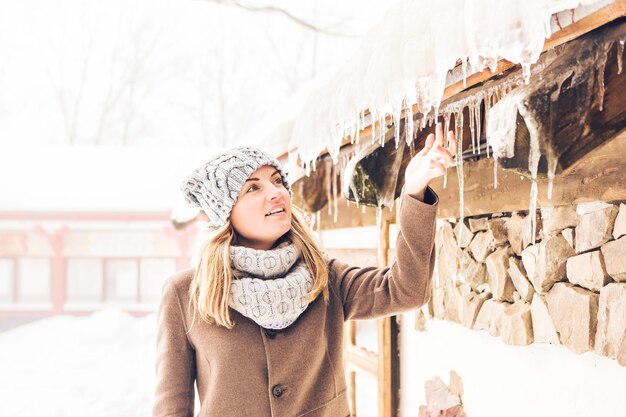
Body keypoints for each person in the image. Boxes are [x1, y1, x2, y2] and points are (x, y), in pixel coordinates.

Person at [153, 124, 457, 417]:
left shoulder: (325, 277)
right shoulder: (186, 293)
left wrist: (415, 189)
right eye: (252, 188)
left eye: (277, 181)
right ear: (225, 213)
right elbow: (171, 408)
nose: (275, 192)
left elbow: (405, 289)